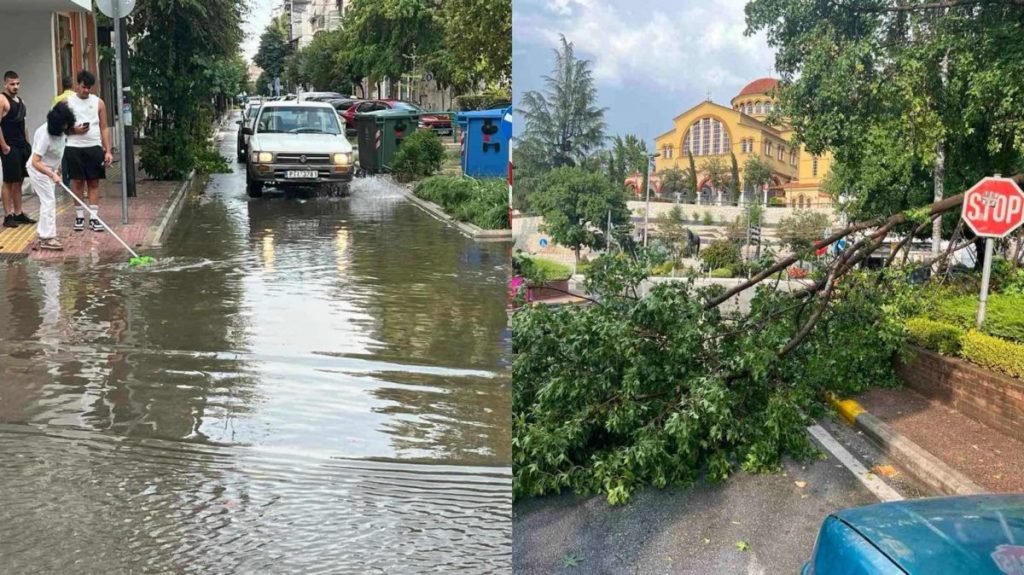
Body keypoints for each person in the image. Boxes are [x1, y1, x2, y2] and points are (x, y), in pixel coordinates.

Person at [64, 69, 112, 232]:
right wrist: (73, 130)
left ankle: (94, 217)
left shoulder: (98, 102)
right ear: (77, 85)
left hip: (94, 146)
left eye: (88, 87)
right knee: (77, 181)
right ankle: (79, 216)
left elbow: (104, 127)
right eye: (83, 87)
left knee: (93, 181)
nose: (86, 90)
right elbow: (60, 126)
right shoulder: (67, 102)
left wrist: (108, 150)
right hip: (73, 147)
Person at [27, 101, 77, 251]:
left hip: (50, 170)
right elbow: (36, 161)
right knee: (49, 201)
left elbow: (58, 151)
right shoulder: (45, 135)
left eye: (67, 124)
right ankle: (47, 238)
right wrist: (51, 173)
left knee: (48, 201)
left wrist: (58, 168)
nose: (65, 128)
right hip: (39, 171)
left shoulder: (62, 130)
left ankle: (45, 235)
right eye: (63, 125)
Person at [0, 70, 34, 229]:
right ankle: (8, 215)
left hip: (22, 146)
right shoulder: (2, 99)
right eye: (12, 84)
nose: (15, 87)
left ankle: (19, 213)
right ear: (5, 84)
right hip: (10, 146)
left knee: (19, 180)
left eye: (17, 84)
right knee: (8, 180)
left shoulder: (20, 101)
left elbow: (24, 125)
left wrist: (27, 144)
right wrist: (4, 146)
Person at [52, 76, 74, 188]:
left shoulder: (57, 99)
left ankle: (66, 182)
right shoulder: (75, 97)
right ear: (73, 85)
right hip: (75, 132)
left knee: (64, 158)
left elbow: (53, 116)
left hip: (63, 132)